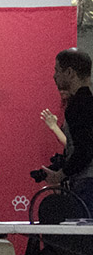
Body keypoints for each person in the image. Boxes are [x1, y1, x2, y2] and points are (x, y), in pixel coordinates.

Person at [39, 49, 93, 213]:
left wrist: (61, 174)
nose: (54, 76)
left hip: (87, 185)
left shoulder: (78, 105)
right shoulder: (86, 102)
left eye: (57, 70)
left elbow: (85, 150)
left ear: (70, 72)